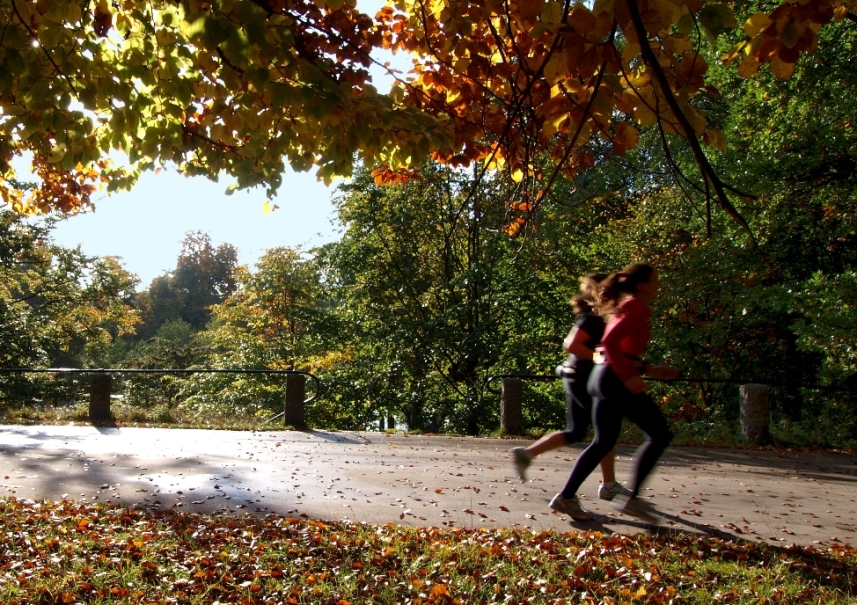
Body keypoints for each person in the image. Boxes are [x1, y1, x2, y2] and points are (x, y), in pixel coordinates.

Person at [548, 263, 679, 521]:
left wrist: (650, 368)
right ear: (642, 284)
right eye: (655, 280)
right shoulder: (637, 307)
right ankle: (631, 500)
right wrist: (629, 378)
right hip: (615, 379)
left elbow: (619, 350)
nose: (658, 285)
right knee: (660, 434)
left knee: (603, 441)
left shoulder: (624, 307)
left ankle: (566, 497)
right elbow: (610, 344)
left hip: (603, 376)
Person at [510, 273, 631, 502]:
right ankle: (608, 485)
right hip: (583, 377)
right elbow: (571, 344)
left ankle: (528, 454)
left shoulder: (599, 316)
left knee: (587, 432)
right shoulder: (593, 317)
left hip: (581, 376)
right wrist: (599, 358)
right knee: (603, 433)